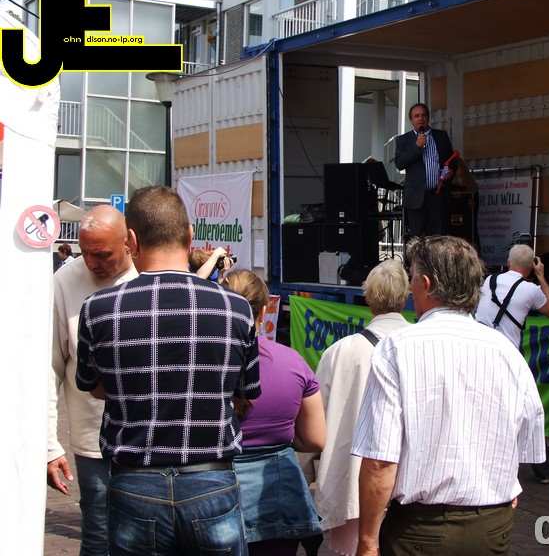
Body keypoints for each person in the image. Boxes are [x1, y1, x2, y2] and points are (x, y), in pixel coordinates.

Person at [75, 186, 261, 556]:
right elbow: (246, 391)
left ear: (131, 241)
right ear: (190, 235)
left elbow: (93, 386)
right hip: (210, 477)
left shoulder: (98, 308)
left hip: (134, 481)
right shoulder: (237, 309)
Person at [352, 235, 547, 556]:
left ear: (426, 284)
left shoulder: (397, 348)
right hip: (492, 525)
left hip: (421, 530)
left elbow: (380, 461)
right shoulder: (507, 351)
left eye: (413, 277)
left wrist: (367, 542)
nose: (410, 287)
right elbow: (527, 433)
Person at [49, 205, 138, 556]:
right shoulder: (64, 281)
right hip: (91, 443)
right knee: (98, 535)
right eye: (84, 252)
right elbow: (50, 367)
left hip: (148, 440)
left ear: (129, 243)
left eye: (102, 255)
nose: (91, 263)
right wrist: (49, 445)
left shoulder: (149, 273)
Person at [221, 269, 326, 556]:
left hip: (218, 495)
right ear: (264, 311)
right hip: (279, 498)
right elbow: (316, 439)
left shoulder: (201, 364)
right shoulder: (293, 362)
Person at [315, 260, 411, 555]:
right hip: (409, 494)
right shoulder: (421, 347)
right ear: (405, 297)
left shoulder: (340, 352)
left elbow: (316, 422)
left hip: (353, 491)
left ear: (367, 298)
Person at [473, 243, 549, 484]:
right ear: (531, 267)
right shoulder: (531, 289)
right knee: (528, 410)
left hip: (479, 351)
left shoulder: (488, 281)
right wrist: (541, 277)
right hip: (508, 356)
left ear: (508, 263)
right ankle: (544, 471)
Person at [395, 103, 458, 238]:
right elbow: (399, 163)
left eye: (423, 115)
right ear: (411, 120)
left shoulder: (441, 136)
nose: (420, 118)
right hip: (416, 197)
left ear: (428, 118)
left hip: (438, 195)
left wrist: (450, 171)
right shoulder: (403, 140)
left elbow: (452, 160)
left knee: (438, 238)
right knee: (417, 239)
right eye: (416, 116)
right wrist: (416, 146)